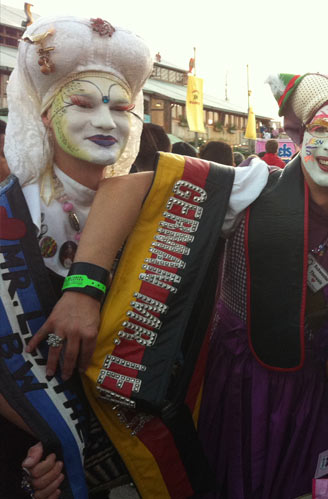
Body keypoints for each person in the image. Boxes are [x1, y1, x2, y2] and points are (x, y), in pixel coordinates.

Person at [32, 73, 328, 498]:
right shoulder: (252, 185)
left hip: (314, 411)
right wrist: (82, 291)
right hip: (235, 395)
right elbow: (123, 190)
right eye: (320, 129)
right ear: (301, 136)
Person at [0, 15, 152, 497]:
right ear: (44, 113)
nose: (107, 123)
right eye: (82, 104)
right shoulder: (11, 213)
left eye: (122, 108)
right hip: (35, 449)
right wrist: (38, 443)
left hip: (136, 451)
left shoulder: (154, 204)